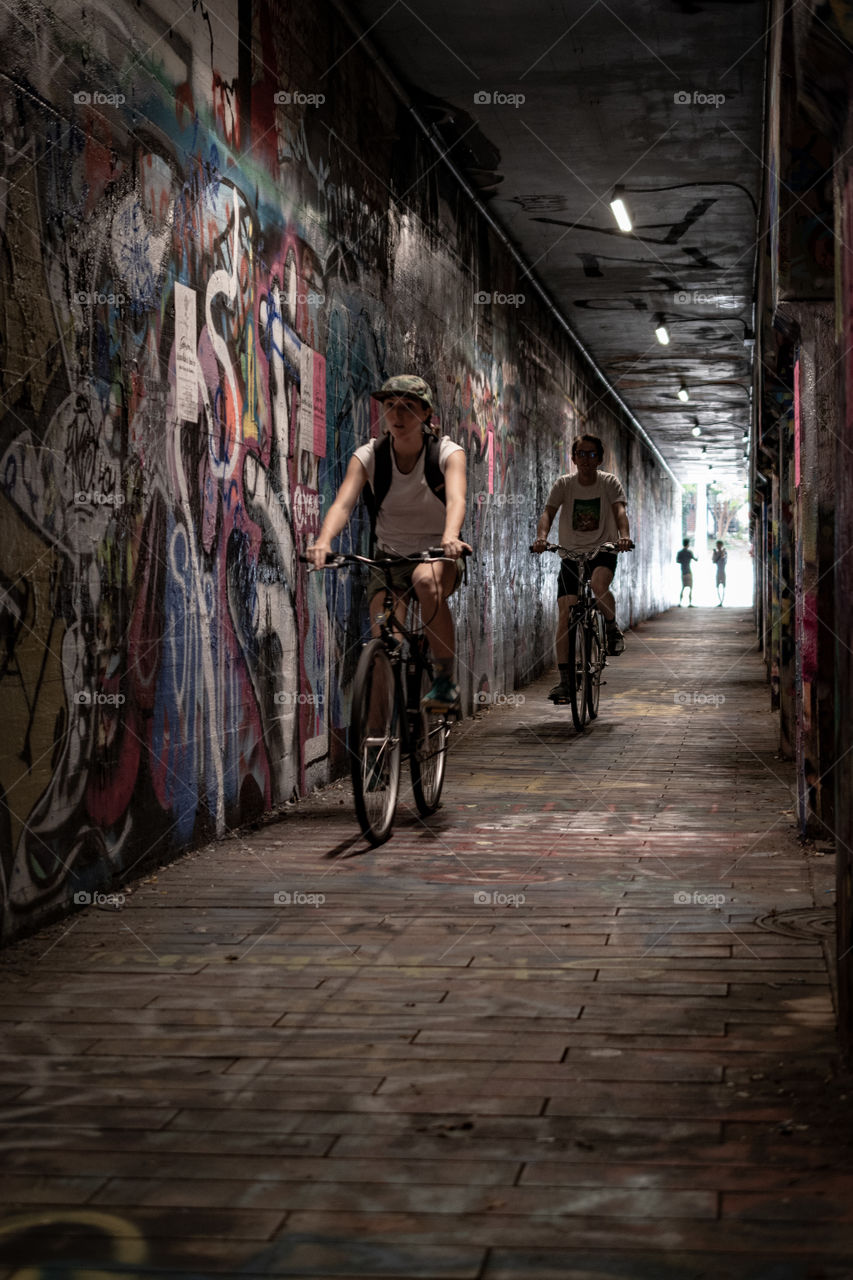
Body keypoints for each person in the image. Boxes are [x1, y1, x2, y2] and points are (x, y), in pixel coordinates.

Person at [306, 375, 470, 712]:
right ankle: (376, 738)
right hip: (389, 560)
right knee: (383, 643)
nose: (397, 414)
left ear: (426, 413)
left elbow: (457, 499)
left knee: (425, 581)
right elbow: (343, 504)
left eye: (408, 406)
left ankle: (444, 680)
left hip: (437, 554)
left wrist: (450, 536)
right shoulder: (369, 456)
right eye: (390, 405)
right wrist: (323, 541)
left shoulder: (447, 453)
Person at [532, 433, 633, 702]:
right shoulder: (564, 484)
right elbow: (548, 513)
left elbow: (620, 511)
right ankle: (566, 682)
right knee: (565, 613)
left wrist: (624, 536)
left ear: (599, 458)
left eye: (591, 454)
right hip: (571, 554)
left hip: (603, 551)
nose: (586, 459)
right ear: (573, 458)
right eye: (581, 454)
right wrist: (541, 538)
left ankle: (610, 627)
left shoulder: (608, 482)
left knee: (598, 585)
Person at [676, 539, 697, 606]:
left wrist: (683, 561)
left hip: (683, 572)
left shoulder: (680, 552)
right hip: (688, 571)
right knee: (690, 588)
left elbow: (677, 561)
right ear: (688, 544)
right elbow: (695, 559)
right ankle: (690, 603)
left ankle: (680, 603)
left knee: (683, 587)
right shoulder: (689, 552)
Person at [712, 540, 727, 606]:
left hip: (722, 571)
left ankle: (722, 601)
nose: (717, 546)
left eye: (719, 545)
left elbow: (724, 558)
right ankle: (720, 601)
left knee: (723, 587)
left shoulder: (724, 552)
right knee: (717, 587)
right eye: (717, 545)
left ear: (721, 545)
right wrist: (714, 553)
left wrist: (721, 552)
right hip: (718, 571)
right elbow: (713, 561)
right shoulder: (716, 552)